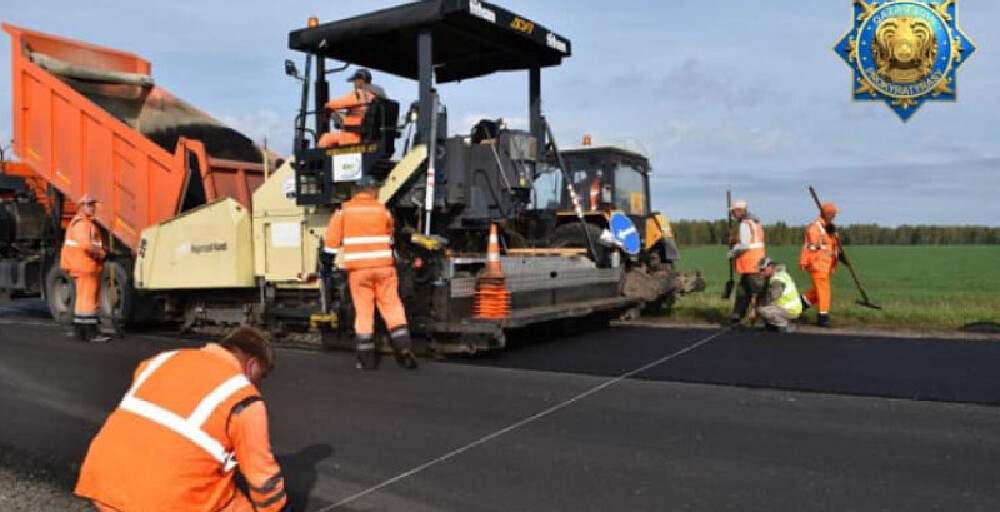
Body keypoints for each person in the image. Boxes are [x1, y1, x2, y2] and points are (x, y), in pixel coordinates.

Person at [75, 327, 288, 512]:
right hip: (168, 501)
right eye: (262, 375)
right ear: (252, 365)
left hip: (106, 485)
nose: (260, 384)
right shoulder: (244, 399)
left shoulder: (160, 361)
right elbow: (262, 478)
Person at [323, 176, 418, 371]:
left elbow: (331, 244)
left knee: (364, 313)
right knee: (392, 308)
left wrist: (326, 264)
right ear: (371, 191)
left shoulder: (344, 211)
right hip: (385, 269)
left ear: (356, 191)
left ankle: (366, 360)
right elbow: (391, 239)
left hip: (359, 271)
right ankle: (404, 348)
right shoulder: (383, 210)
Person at [59, 194, 108, 343]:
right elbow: (86, 245)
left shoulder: (82, 223)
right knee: (88, 301)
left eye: (93, 204)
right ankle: (90, 333)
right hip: (86, 266)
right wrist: (101, 253)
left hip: (83, 266)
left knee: (82, 301)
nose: (92, 208)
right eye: (89, 205)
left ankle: (81, 331)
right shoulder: (83, 224)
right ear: (81, 207)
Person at [318, 68, 385, 148]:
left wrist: (327, 106)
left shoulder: (358, 94)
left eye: (355, 81)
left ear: (361, 80)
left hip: (353, 136)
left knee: (325, 139)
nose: (354, 84)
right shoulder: (377, 97)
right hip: (371, 135)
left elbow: (338, 103)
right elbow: (362, 114)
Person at [799, 202, 841, 327]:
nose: (834, 216)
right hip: (816, 263)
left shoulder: (828, 227)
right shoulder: (815, 227)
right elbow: (813, 245)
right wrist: (827, 233)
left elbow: (832, 246)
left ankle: (795, 307)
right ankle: (823, 317)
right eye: (833, 214)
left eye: (835, 214)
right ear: (827, 214)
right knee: (824, 291)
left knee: (817, 293)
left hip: (826, 265)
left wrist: (838, 252)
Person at [726, 199, 766, 326]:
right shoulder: (755, 223)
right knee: (744, 292)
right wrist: (734, 240)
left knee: (753, 294)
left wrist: (732, 252)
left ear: (740, 211)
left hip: (750, 264)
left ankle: (757, 320)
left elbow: (745, 244)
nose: (733, 215)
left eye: (733, 212)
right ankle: (737, 317)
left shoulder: (745, 224)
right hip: (757, 263)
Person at [755, 257, 802, 333]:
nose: (761, 272)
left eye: (763, 270)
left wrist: (756, 308)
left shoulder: (777, 280)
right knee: (765, 307)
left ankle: (784, 325)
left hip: (790, 310)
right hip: (790, 308)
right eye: (760, 270)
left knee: (762, 310)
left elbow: (774, 296)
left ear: (770, 267)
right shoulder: (780, 274)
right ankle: (774, 324)